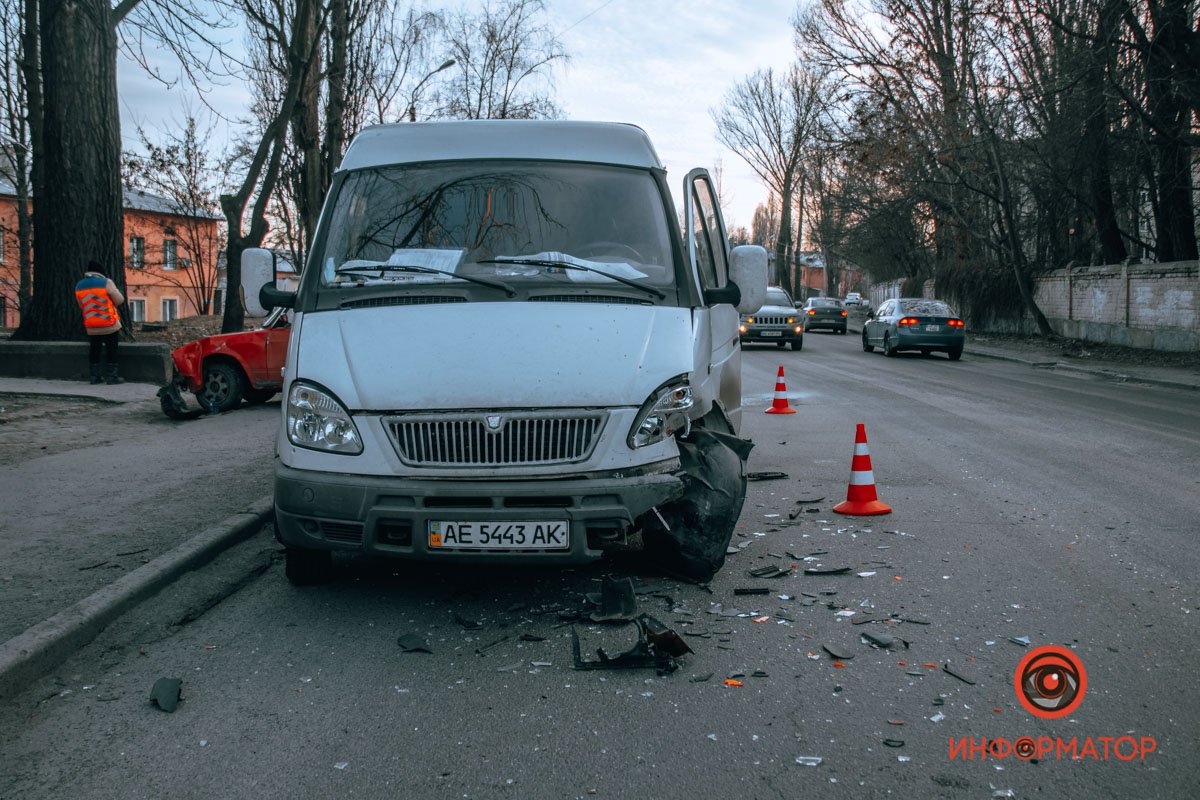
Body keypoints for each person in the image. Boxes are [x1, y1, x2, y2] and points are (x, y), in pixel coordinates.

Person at [74, 261, 126, 384]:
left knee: (94, 349)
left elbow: (82, 305)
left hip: (91, 324)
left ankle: (94, 376)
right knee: (111, 349)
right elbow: (119, 300)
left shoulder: (79, 285)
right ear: (101, 272)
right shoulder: (106, 282)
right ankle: (112, 377)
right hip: (109, 323)